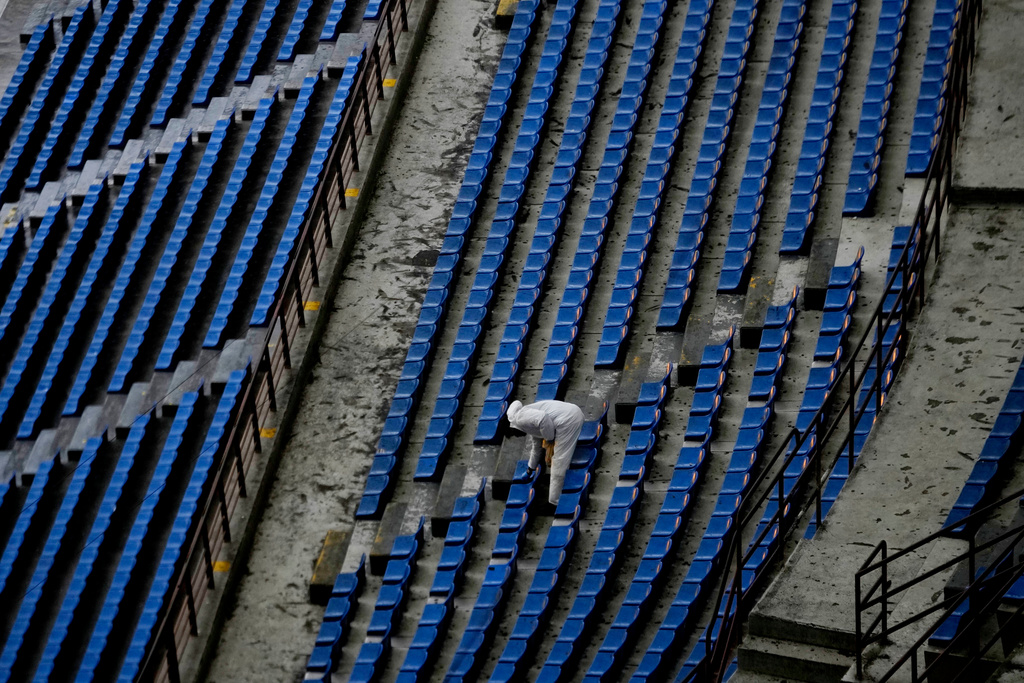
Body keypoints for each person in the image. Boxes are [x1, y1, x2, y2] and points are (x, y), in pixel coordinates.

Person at [505, 399, 585, 507]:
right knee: (557, 458)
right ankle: (556, 498)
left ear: (511, 428)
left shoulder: (520, 419)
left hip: (568, 421)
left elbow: (543, 418)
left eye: (514, 435)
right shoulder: (528, 421)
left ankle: (555, 501)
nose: (517, 437)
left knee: (559, 461)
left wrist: (549, 438)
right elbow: (536, 448)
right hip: (573, 413)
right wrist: (530, 469)